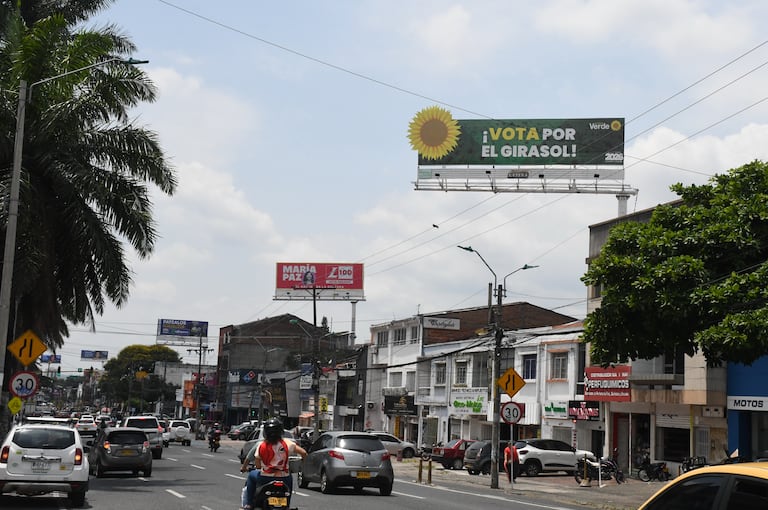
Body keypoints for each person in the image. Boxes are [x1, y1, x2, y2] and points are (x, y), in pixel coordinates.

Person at [240, 419, 306, 510]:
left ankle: (249, 504)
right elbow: (304, 453)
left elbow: (258, 465)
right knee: (290, 478)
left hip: (265, 478)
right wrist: (302, 463)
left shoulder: (261, 445)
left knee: (251, 475)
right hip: (284, 478)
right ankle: (287, 504)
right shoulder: (287, 443)